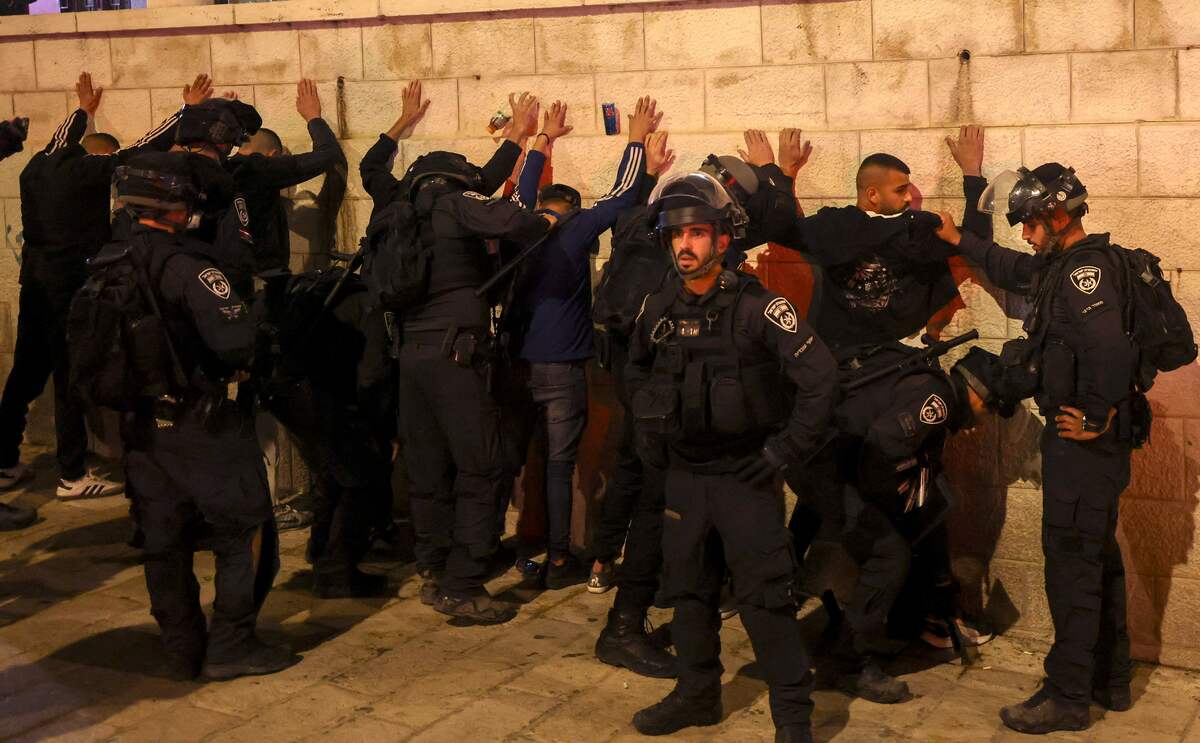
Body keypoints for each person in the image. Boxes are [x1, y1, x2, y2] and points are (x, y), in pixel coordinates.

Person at [933, 163, 1149, 734]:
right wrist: (960, 239)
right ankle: (1112, 679)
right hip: (1088, 451)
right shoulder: (1063, 267)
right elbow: (1012, 266)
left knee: (1070, 572)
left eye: (1029, 224)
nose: (1025, 236)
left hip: (1083, 449)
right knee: (1095, 561)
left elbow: (1110, 351)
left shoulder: (1085, 275)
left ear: (1056, 215)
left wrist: (1099, 415)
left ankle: (1068, 696)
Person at [626, 171, 837, 742]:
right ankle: (698, 695)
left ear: (723, 240)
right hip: (684, 477)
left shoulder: (760, 308)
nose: (686, 245)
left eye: (698, 233)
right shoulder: (658, 305)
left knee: (765, 601)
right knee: (689, 592)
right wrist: (647, 431)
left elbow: (820, 379)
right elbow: (637, 368)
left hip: (746, 477)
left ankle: (793, 716)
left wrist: (784, 451)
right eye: (677, 235)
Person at [361, 84, 558, 624]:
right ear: (455, 181)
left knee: (426, 469)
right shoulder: (456, 205)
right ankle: (465, 582)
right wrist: (548, 221)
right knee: (482, 465)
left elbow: (369, 166)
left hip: (412, 359)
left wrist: (516, 137)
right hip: (455, 357)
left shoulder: (399, 204)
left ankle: (432, 569)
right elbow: (512, 219)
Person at [102, 151, 295, 681]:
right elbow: (234, 344)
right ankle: (231, 644)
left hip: (141, 428)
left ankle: (181, 647)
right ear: (173, 206)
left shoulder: (108, 259)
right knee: (244, 530)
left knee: (163, 541)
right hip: (202, 422)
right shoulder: (191, 266)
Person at [0, 72, 186, 500]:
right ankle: (71, 474)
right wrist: (186, 112)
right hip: (68, 293)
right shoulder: (91, 170)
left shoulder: (36, 166)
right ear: (103, 156)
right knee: (70, 378)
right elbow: (143, 148)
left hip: (35, 285)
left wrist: (83, 110)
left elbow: (61, 138)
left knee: (25, 375)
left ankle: (5, 461)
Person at [505, 97, 652, 588]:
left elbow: (523, 190)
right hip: (564, 366)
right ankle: (561, 559)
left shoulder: (518, 225)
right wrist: (634, 139)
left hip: (517, 363)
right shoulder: (573, 229)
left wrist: (541, 139)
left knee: (522, 460)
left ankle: (524, 548)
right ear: (570, 210)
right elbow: (622, 195)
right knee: (559, 464)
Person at [827, 345, 1006, 703]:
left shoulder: (936, 392)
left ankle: (890, 627)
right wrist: (887, 505)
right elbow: (881, 444)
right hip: (836, 467)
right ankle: (850, 662)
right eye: (987, 411)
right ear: (976, 395)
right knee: (890, 555)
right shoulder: (936, 402)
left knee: (915, 528)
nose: (982, 422)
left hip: (836, 458)